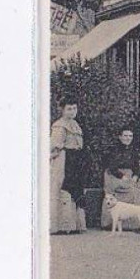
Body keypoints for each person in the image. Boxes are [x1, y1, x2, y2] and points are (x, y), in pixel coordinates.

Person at [100, 126, 140, 231]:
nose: (128, 138)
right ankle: (120, 224)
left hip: (130, 176)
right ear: (120, 137)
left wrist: (135, 176)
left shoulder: (132, 150)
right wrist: (122, 176)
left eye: (130, 136)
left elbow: (136, 166)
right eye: (125, 136)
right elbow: (112, 167)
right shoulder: (114, 150)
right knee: (133, 192)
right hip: (115, 176)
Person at [50, 100, 87, 234]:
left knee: (76, 189)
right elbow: (54, 145)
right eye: (69, 109)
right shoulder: (59, 126)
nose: (72, 112)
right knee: (63, 188)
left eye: (74, 109)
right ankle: (61, 225)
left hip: (76, 159)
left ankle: (75, 225)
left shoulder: (75, 125)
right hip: (65, 159)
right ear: (63, 110)